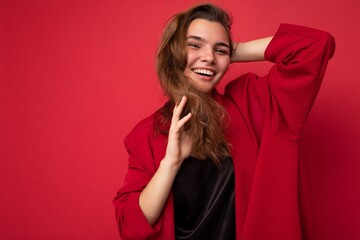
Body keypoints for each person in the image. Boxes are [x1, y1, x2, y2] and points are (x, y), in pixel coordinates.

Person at [113, 3, 335, 240]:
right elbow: (131, 226)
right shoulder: (146, 134)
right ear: (174, 52)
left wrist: (232, 50)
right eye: (194, 45)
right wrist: (171, 163)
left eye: (220, 50)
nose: (208, 57)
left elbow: (315, 46)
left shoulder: (249, 103)